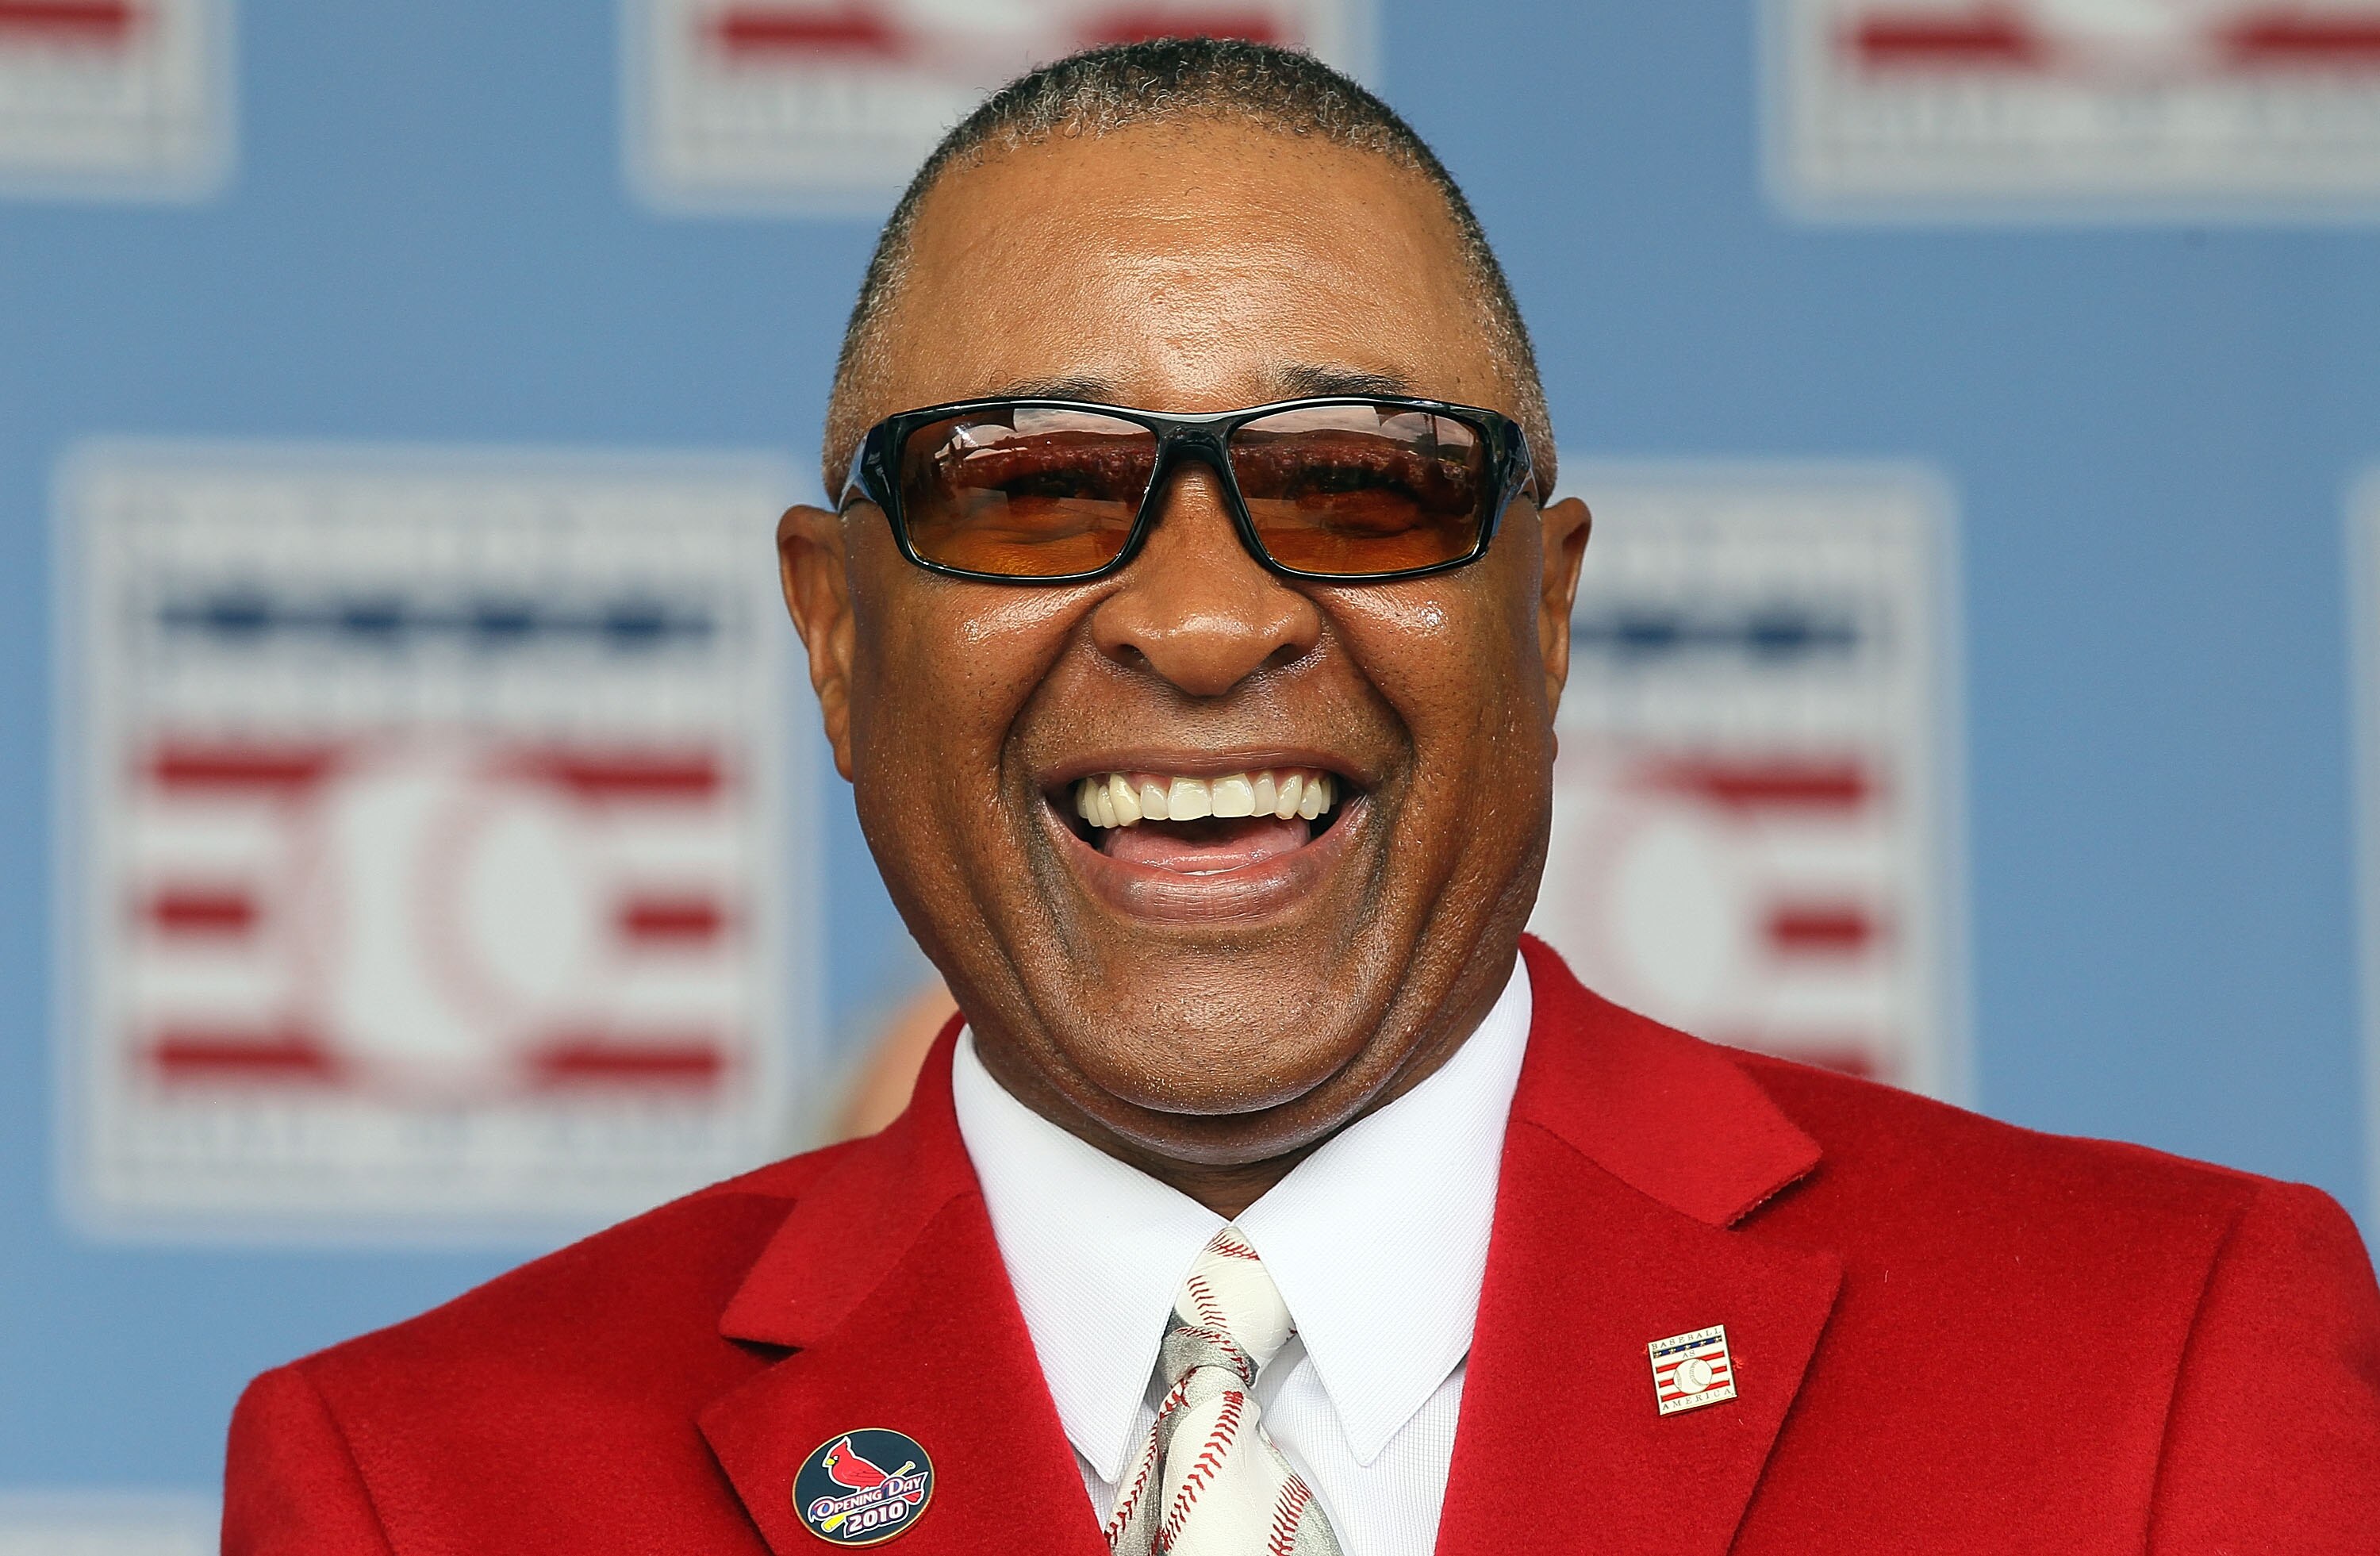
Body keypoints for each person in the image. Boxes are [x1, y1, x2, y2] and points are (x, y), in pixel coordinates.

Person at [222, 39, 2380, 1555]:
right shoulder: (415, 1483)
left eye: (1358, 487)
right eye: (1036, 489)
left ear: (1545, 610)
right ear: (835, 630)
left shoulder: (2162, 1361)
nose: (1200, 617)